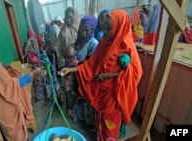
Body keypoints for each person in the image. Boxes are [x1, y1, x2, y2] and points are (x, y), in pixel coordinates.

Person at [61, 9, 143, 140]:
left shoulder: (128, 49)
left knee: (110, 131)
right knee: (100, 126)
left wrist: (107, 76)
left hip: (114, 100)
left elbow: (135, 76)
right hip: (100, 95)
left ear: (119, 27)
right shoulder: (105, 42)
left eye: (109, 29)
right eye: (105, 28)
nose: (105, 32)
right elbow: (92, 63)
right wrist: (72, 70)